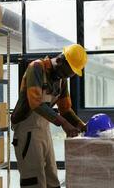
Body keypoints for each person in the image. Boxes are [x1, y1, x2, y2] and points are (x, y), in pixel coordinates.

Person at [11, 44, 88, 188]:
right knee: (34, 179)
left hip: (43, 129)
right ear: (59, 60)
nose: (66, 77)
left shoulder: (61, 79)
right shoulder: (36, 68)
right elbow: (36, 103)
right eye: (67, 73)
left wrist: (81, 125)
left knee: (51, 177)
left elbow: (65, 109)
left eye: (70, 75)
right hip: (27, 130)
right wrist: (64, 124)